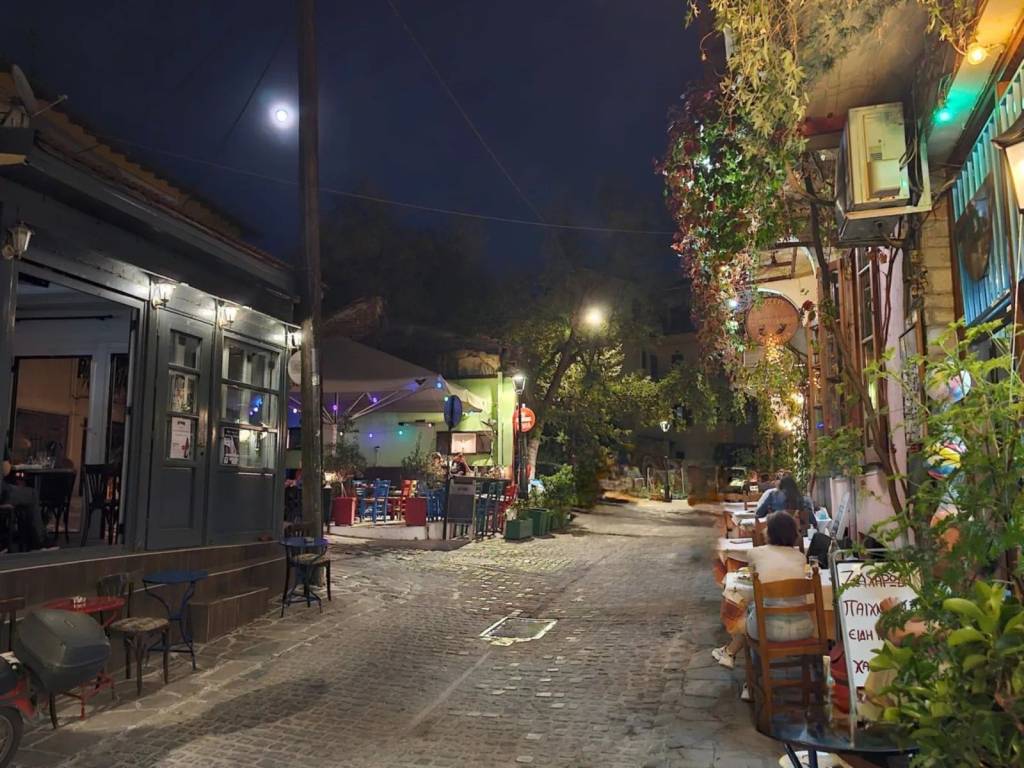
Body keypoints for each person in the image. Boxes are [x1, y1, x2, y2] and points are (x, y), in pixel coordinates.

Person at [712, 512, 814, 700]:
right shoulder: (800, 557)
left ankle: (750, 679)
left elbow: (754, 581)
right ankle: (730, 655)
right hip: (804, 629)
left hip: (768, 630)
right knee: (757, 611)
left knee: (753, 612)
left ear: (770, 532)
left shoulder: (755, 553)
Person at [1, 443, 46, 552]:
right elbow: (5, 470)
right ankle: (37, 541)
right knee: (32, 495)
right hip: (2, 494)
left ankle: (9, 537)